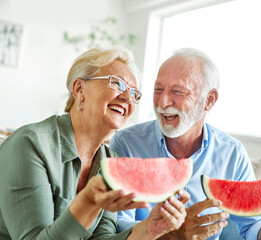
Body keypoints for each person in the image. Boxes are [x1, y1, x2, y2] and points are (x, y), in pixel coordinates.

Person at [109, 48, 261, 240]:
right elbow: (117, 223)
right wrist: (167, 233)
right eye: (158, 89)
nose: (163, 101)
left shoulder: (232, 153)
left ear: (209, 100)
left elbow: (252, 225)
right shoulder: (126, 143)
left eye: (178, 91)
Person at [0, 47, 190, 240]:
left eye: (134, 93)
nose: (126, 97)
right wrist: (89, 201)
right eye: (117, 83)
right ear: (79, 89)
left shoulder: (111, 160)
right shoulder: (30, 144)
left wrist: (148, 230)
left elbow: (100, 237)